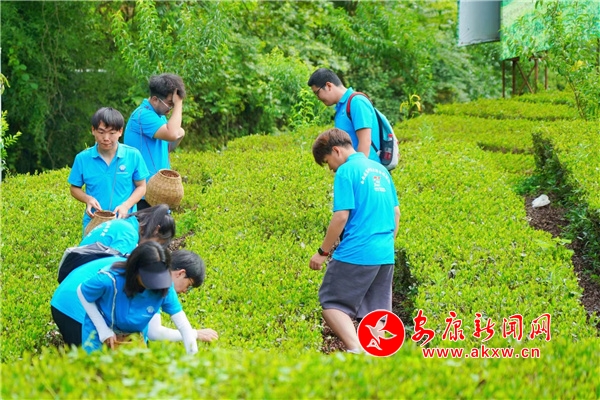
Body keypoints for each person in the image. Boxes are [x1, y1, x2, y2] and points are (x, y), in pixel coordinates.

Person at [309, 128, 400, 353]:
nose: (331, 169)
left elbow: (341, 216)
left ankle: (356, 349)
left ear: (336, 151)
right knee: (376, 311)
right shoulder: (380, 169)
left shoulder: (346, 171)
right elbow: (396, 213)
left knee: (332, 303)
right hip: (385, 253)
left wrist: (322, 252)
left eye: (327, 162)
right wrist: (385, 245)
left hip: (356, 252)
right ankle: (376, 356)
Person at [51, 248, 218, 348]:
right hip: (73, 304)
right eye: (188, 285)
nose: (184, 292)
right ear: (181, 273)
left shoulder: (157, 279)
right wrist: (195, 334)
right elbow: (154, 332)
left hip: (86, 296)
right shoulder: (122, 278)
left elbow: (171, 324)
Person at [76, 241, 199, 354]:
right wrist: (103, 329)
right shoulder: (109, 279)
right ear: (136, 270)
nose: (154, 283)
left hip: (134, 339)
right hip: (100, 337)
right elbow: (82, 291)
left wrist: (192, 355)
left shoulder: (165, 287)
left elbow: (183, 324)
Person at [69, 107, 149, 237]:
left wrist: (126, 205)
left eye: (112, 133)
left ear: (120, 132)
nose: (106, 138)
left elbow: (141, 187)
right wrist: (87, 199)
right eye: (101, 132)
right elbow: (74, 188)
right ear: (93, 130)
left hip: (125, 223)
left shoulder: (133, 155)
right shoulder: (82, 158)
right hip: (94, 223)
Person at [124, 73, 186, 210]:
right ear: (155, 99)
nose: (171, 108)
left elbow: (168, 145)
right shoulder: (142, 115)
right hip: (142, 195)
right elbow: (173, 134)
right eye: (170, 103)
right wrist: (179, 104)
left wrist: (179, 133)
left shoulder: (159, 116)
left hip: (157, 192)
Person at [307, 68, 381, 163]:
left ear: (328, 86)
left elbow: (365, 142)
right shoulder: (341, 108)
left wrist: (358, 169)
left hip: (368, 168)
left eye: (317, 93)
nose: (318, 98)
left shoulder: (357, 102)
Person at [80, 203, 175, 255]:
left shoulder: (125, 224)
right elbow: (113, 270)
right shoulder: (129, 236)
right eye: (158, 243)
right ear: (156, 230)